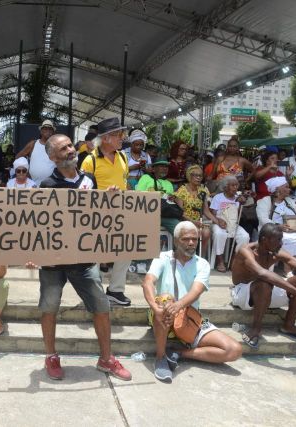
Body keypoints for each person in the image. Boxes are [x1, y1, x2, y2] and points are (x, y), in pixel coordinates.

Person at [34, 133, 131, 381]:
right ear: (53, 157)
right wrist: (31, 253)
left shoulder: (89, 179)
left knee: (101, 307)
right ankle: (51, 356)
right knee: (49, 308)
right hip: (53, 262)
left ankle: (106, 359)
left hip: (84, 260)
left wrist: (107, 199)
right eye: (63, 148)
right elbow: (37, 226)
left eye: (70, 145)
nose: (70, 150)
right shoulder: (47, 185)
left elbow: (94, 216)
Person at [143, 221, 242, 383]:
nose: (191, 243)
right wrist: (155, 307)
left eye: (194, 239)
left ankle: (178, 353)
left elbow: (196, 291)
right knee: (166, 299)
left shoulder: (202, 264)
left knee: (234, 350)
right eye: (186, 239)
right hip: (162, 315)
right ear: (176, 241)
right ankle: (161, 357)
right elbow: (148, 282)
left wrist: (178, 306)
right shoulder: (162, 257)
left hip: (189, 319)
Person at [231, 223, 296, 348]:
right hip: (242, 293)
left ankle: (289, 325)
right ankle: (256, 328)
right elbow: (262, 273)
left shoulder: (276, 251)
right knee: (264, 283)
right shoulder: (246, 251)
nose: (281, 243)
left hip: (266, 290)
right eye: (278, 240)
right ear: (265, 239)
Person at [80, 117, 131, 306]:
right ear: (106, 138)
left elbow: (124, 184)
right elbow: (83, 192)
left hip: (120, 213)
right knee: (95, 254)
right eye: (118, 134)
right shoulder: (90, 161)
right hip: (97, 215)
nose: (122, 137)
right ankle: (95, 291)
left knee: (126, 249)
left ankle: (116, 290)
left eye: (122, 134)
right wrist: (104, 194)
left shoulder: (123, 157)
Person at [256, 177, 296, 257]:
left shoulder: (290, 201)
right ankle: (289, 263)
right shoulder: (265, 201)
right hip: (273, 232)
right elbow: (263, 219)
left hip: (293, 230)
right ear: (277, 189)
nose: (289, 189)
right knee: (291, 240)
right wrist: (278, 226)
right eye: (286, 187)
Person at [209, 176, 250, 272]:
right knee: (219, 234)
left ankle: (234, 260)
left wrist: (241, 204)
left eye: (236, 185)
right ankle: (220, 261)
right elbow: (213, 214)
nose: (235, 188)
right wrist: (219, 220)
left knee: (245, 236)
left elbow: (239, 217)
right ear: (225, 187)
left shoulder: (238, 198)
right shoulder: (218, 197)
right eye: (233, 185)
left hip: (233, 224)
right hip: (219, 223)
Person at [174, 165, 214, 256]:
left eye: (200, 175)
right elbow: (180, 213)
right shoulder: (182, 190)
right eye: (196, 175)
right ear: (189, 176)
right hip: (184, 220)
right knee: (195, 232)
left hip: (198, 221)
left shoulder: (203, 190)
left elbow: (206, 211)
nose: (198, 178)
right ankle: (188, 255)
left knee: (206, 232)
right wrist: (193, 222)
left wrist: (218, 221)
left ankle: (201, 257)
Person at [136, 155, 181, 235]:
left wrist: (173, 198)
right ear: (153, 169)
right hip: (147, 214)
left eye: (166, 167)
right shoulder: (146, 178)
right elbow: (138, 196)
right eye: (161, 166)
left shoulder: (168, 184)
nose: (165, 168)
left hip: (164, 215)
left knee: (180, 229)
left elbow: (170, 202)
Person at [15, 119, 56, 185]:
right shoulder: (33, 144)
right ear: (41, 131)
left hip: (51, 185)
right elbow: (18, 157)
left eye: (50, 129)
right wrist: (25, 172)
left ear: (53, 132)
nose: (48, 131)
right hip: (32, 184)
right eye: (45, 129)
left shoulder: (56, 146)